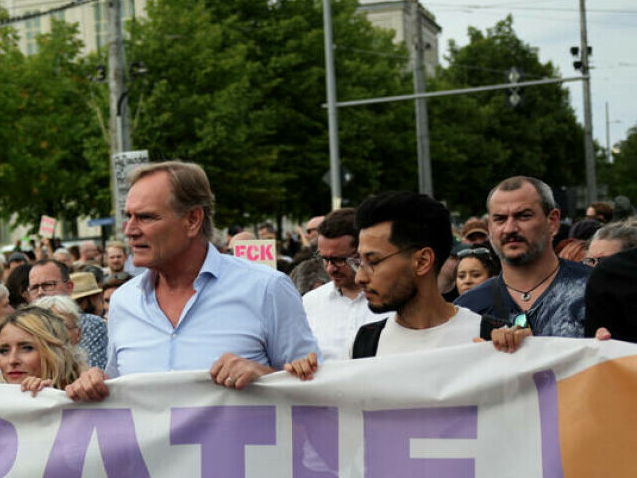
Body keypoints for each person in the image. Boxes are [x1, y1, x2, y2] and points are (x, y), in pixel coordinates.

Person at [68, 161, 318, 402]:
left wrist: (266, 377)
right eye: (129, 216)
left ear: (192, 220)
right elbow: (121, 393)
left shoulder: (267, 289)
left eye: (146, 217)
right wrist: (97, 383)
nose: (130, 230)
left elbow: (320, 393)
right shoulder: (124, 301)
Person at [342, 191, 495, 357]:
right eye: (359, 262)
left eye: (373, 262)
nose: (360, 278)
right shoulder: (363, 347)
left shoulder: (491, 339)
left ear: (423, 262)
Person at [454, 176, 591, 338]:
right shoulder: (468, 308)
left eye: (524, 216)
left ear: (553, 221)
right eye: (500, 219)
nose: (510, 228)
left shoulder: (593, 289)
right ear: (490, 227)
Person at [301, 208, 389, 363]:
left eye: (339, 259)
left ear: (362, 252)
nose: (330, 268)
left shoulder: (393, 300)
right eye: (325, 259)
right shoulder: (309, 303)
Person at [25, 260, 109, 371]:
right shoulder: (22, 327)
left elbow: (91, 374)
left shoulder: (90, 324)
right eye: (34, 288)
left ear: (69, 287)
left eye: (48, 285)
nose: (40, 292)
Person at [0, 306, 87, 398]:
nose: (12, 360)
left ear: (56, 351)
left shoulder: (88, 397)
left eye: (27, 348)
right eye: (4, 351)